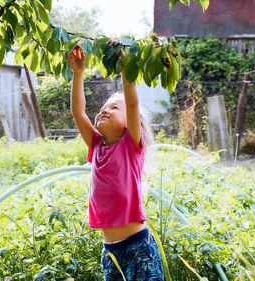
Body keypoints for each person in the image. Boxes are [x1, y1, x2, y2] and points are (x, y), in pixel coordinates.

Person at [68, 41, 164, 281]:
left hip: (138, 247)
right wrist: (78, 74)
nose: (104, 110)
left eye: (114, 108)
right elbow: (79, 113)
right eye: (102, 107)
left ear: (130, 123)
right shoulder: (96, 146)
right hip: (110, 252)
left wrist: (125, 68)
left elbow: (132, 103)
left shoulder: (131, 145)